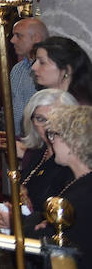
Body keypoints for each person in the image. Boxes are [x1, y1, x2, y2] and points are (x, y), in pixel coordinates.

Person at [0, 88, 76, 237]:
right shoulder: (40, 152)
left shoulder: (70, 162)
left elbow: (59, 222)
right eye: (40, 119)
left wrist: (14, 222)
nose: (48, 126)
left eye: (55, 118)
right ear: (31, 122)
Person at [36, 104, 92, 258]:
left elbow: (53, 245)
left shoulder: (82, 196)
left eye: (54, 134)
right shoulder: (78, 180)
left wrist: (15, 223)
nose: (51, 140)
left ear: (73, 143)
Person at [10, 17, 50, 125]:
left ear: (36, 38)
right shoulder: (17, 69)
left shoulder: (50, 71)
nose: (12, 40)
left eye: (18, 36)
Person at [30, 36, 92, 104]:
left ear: (67, 70)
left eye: (42, 62)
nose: (33, 67)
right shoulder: (42, 97)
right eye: (35, 61)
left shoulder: (79, 108)